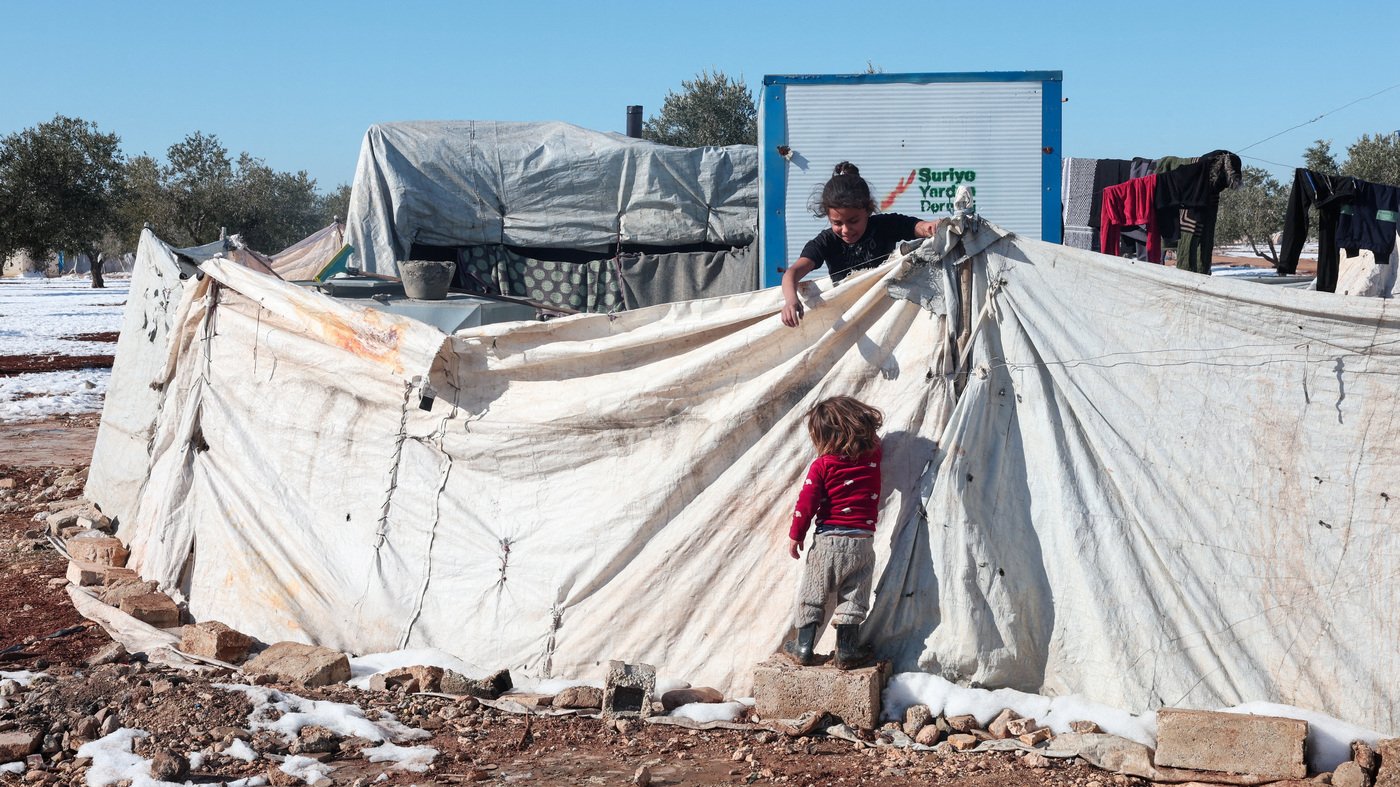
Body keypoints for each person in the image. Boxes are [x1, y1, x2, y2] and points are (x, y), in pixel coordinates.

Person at [782, 395, 884, 670]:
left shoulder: (823, 465)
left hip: (828, 541)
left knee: (813, 591)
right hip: (862, 542)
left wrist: (796, 534)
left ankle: (804, 647)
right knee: (854, 595)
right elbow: (875, 441)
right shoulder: (873, 456)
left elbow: (806, 503)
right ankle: (847, 650)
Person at [781, 162, 942, 327]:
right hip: (849, 318)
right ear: (828, 217)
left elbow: (921, 227)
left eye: (853, 221)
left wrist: (933, 227)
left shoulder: (885, 225)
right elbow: (792, 274)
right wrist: (791, 300)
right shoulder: (825, 242)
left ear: (868, 210)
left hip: (887, 313)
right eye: (837, 223)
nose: (846, 230)